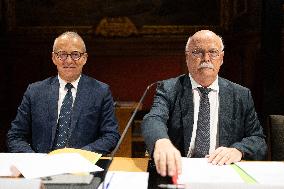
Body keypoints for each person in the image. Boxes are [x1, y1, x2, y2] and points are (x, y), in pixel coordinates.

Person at [141, 30, 267, 177]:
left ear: (221, 58)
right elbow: (153, 119)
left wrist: (238, 150)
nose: (206, 58)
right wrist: (161, 141)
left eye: (213, 52)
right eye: (197, 52)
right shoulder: (169, 89)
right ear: (187, 58)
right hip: (180, 170)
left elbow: (258, 140)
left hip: (223, 171)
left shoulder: (240, 94)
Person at [7, 31, 120, 154]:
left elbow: (111, 136)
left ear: (84, 58)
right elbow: (15, 136)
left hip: (82, 167)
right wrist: (35, 160)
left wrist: (81, 155)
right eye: (62, 54)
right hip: (41, 167)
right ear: (54, 58)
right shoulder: (35, 92)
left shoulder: (100, 92)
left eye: (75, 54)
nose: (69, 61)